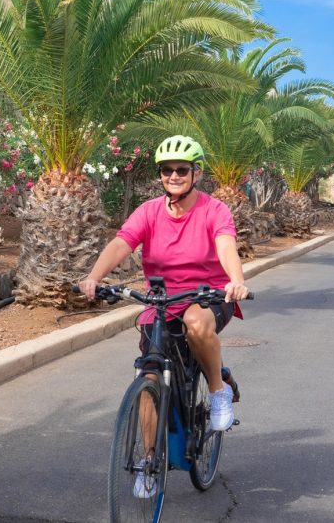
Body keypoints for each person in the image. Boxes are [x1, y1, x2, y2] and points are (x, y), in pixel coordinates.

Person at [80, 134, 249, 495]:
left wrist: (236, 280)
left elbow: (224, 244)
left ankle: (217, 390)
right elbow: (122, 243)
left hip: (207, 295)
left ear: (196, 173)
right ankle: (149, 461)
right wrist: (95, 277)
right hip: (161, 302)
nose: (174, 175)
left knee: (195, 321)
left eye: (182, 169)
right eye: (167, 170)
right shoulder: (149, 211)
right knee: (149, 379)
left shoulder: (214, 210)